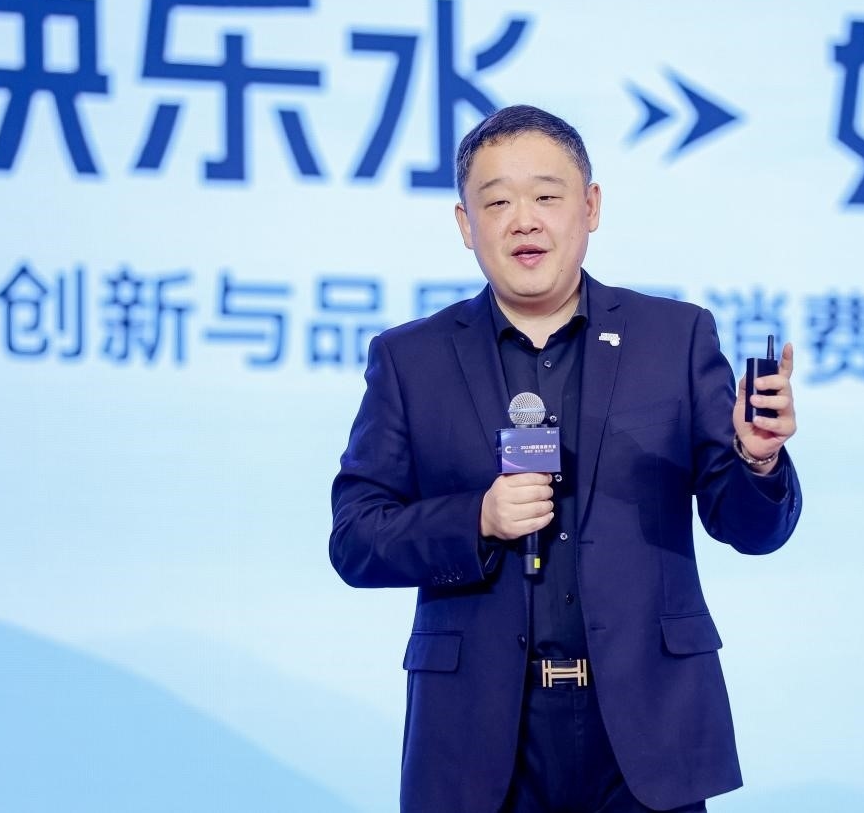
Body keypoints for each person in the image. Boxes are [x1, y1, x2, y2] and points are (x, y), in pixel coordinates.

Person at [330, 105, 802, 813]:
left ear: (591, 207)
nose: (524, 220)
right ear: (465, 224)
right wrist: (478, 519)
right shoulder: (410, 359)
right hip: (478, 740)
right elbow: (356, 539)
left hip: (645, 733)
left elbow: (750, 530)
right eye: (497, 202)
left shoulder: (672, 337)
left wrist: (756, 461)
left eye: (547, 197)